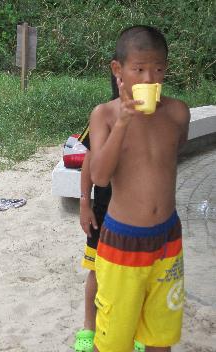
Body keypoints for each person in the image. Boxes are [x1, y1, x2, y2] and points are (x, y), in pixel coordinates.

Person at [89, 25, 190, 352]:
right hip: (122, 244)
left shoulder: (177, 112)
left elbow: (172, 158)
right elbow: (100, 177)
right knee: (115, 341)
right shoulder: (104, 115)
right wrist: (124, 122)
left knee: (160, 336)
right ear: (118, 70)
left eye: (158, 69)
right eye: (139, 69)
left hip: (167, 240)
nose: (149, 79)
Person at [74, 76, 144, 352]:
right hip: (104, 211)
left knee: (139, 275)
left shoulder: (154, 123)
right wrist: (84, 203)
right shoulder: (103, 119)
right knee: (96, 271)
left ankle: (139, 332)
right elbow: (88, 164)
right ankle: (89, 329)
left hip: (138, 216)